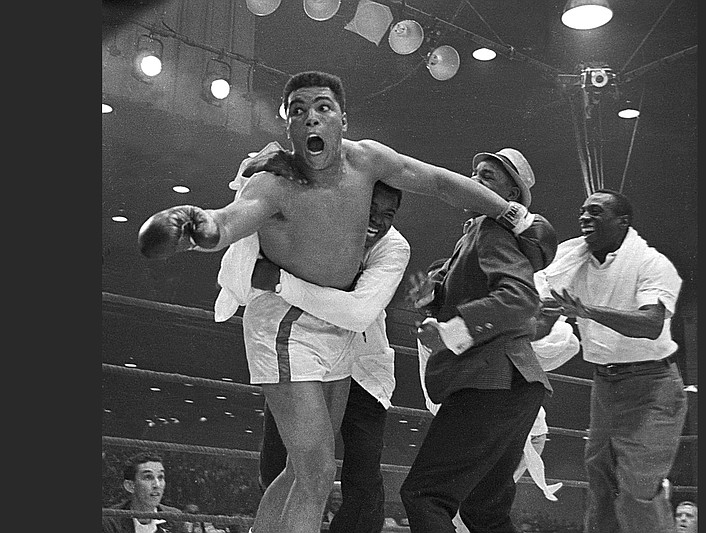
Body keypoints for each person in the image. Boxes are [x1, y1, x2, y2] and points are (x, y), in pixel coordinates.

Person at [137, 71, 541, 533]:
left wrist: (513, 214)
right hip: (288, 327)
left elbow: (438, 181)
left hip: (343, 337)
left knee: (300, 470)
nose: (312, 117)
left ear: (342, 120)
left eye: (323, 107)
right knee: (315, 472)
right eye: (300, 110)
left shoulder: (367, 163)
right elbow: (231, 220)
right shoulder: (273, 184)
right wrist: (200, 227)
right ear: (287, 125)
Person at [398, 148, 558, 532]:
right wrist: (435, 299)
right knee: (483, 509)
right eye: (473, 173)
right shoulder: (474, 234)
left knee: (425, 495)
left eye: (487, 177)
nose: (473, 182)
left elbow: (520, 299)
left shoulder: (491, 230)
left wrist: (451, 331)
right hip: (514, 385)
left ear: (511, 197)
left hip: (490, 382)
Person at [254, 180, 410, 533]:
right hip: (293, 346)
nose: (378, 221)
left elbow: (358, 314)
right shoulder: (313, 215)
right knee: (297, 468)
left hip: (360, 365)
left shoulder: (394, 247)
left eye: (388, 214)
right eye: (371, 209)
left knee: (326, 475)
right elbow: (242, 260)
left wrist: (280, 283)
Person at [539, 188, 688, 533]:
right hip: (605, 386)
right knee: (601, 484)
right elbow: (542, 319)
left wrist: (586, 310)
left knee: (638, 488)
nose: (584, 218)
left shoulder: (651, 263)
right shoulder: (572, 260)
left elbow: (651, 324)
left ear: (622, 222)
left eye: (595, 212)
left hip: (653, 388)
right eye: (582, 211)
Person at [102, 450, 181, 533]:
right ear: (129, 486)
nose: (157, 485)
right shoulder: (109, 521)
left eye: (160, 477)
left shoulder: (175, 517)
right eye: (148, 477)